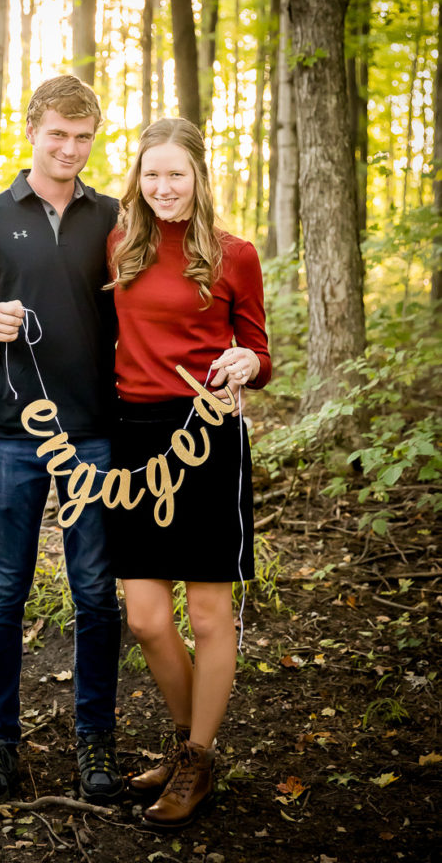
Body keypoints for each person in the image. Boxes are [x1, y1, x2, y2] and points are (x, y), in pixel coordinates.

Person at [0, 76, 123, 809]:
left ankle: (94, 738)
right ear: (31, 131)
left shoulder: (115, 218)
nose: (70, 149)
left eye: (83, 137)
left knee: (94, 596)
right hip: (10, 438)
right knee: (1, 594)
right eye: (58, 134)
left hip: (95, 437)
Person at [104, 117, 272, 829]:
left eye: (175, 174)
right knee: (144, 617)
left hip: (207, 436)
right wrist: (0, 341)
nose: (163, 187)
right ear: (136, 180)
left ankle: (198, 758)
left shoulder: (235, 255)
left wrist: (245, 363)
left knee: (206, 613)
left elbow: (260, 352)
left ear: (199, 177)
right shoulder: (117, 245)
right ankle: (183, 744)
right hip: (134, 440)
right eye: (151, 174)